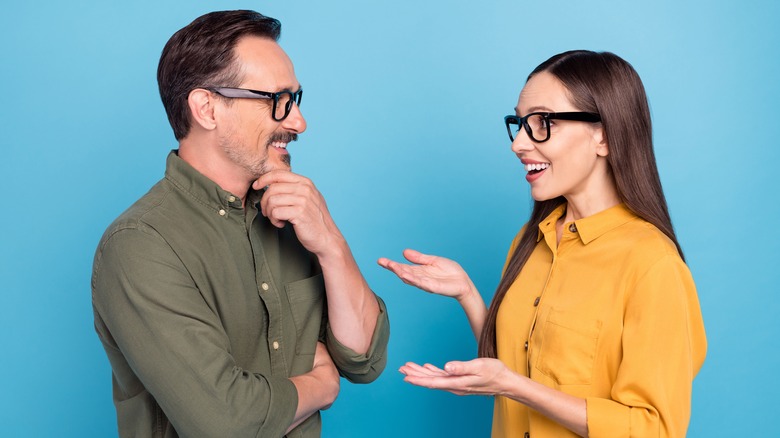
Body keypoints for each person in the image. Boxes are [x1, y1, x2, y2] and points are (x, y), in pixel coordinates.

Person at [92, 10, 389, 438]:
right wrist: (321, 387)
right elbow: (226, 424)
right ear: (207, 108)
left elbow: (364, 359)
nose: (298, 122)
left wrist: (330, 244)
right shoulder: (141, 245)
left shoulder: (294, 215)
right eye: (277, 101)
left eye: (296, 100)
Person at [378, 50, 706, 437]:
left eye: (541, 123)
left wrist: (515, 387)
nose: (518, 144)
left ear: (603, 134)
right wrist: (466, 293)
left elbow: (654, 428)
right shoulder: (531, 240)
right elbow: (513, 365)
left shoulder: (652, 264)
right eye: (519, 123)